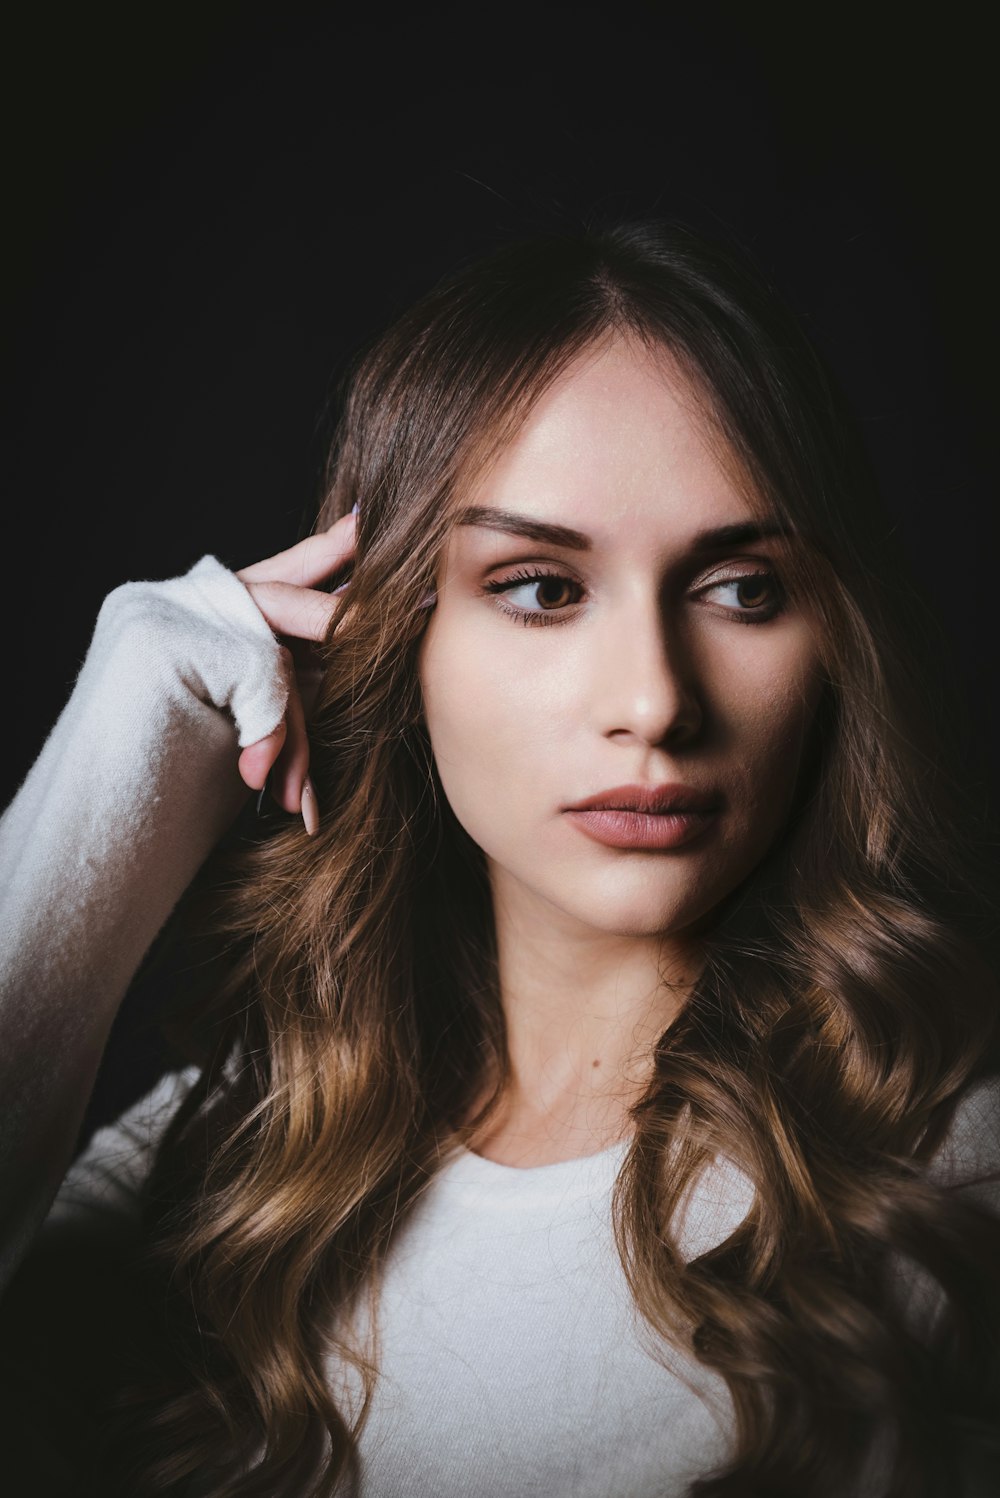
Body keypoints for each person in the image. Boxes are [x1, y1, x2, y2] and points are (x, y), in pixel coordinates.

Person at [1, 220, 998, 1498]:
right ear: (393, 631)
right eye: (540, 587)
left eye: (742, 588)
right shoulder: (226, 1156)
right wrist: (125, 743)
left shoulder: (944, 1189)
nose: (652, 700)